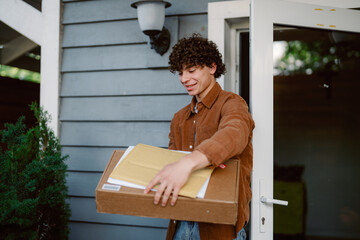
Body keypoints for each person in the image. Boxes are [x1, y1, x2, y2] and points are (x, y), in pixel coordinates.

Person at [144, 34, 255, 240]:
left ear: (212, 68)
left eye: (191, 70)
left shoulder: (233, 104)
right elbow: (171, 161)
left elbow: (234, 133)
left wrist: (188, 163)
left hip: (220, 227)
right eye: (180, 72)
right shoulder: (179, 118)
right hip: (181, 222)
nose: (184, 78)